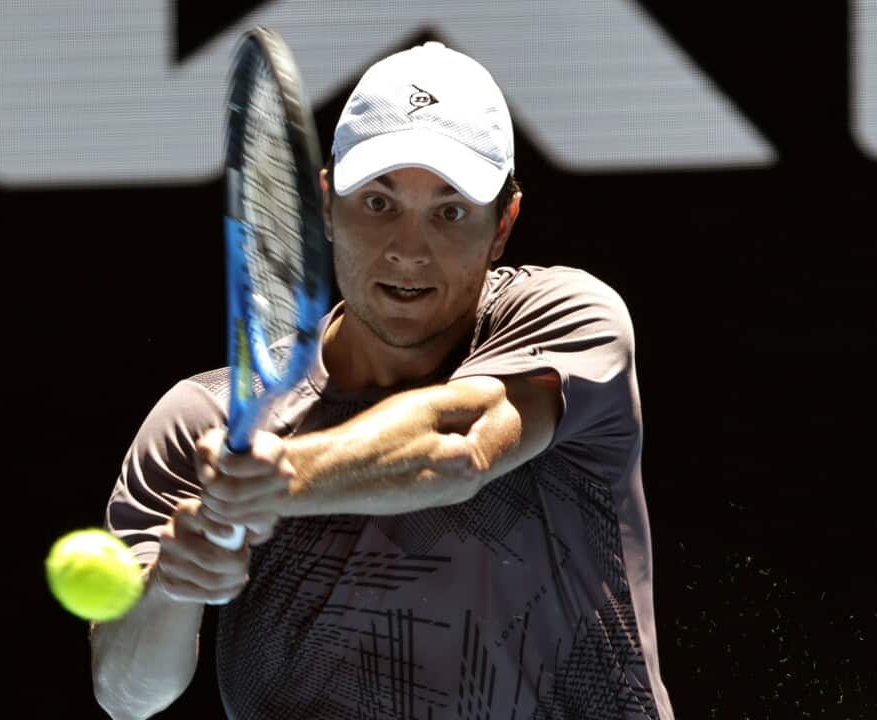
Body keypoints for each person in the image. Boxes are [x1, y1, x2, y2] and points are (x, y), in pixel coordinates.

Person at [89, 41, 675, 720]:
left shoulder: (567, 321)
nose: (408, 247)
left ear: (503, 225)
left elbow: (458, 445)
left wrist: (272, 481)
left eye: (450, 211)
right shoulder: (198, 423)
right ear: (326, 205)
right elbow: (126, 695)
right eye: (378, 201)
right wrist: (173, 582)